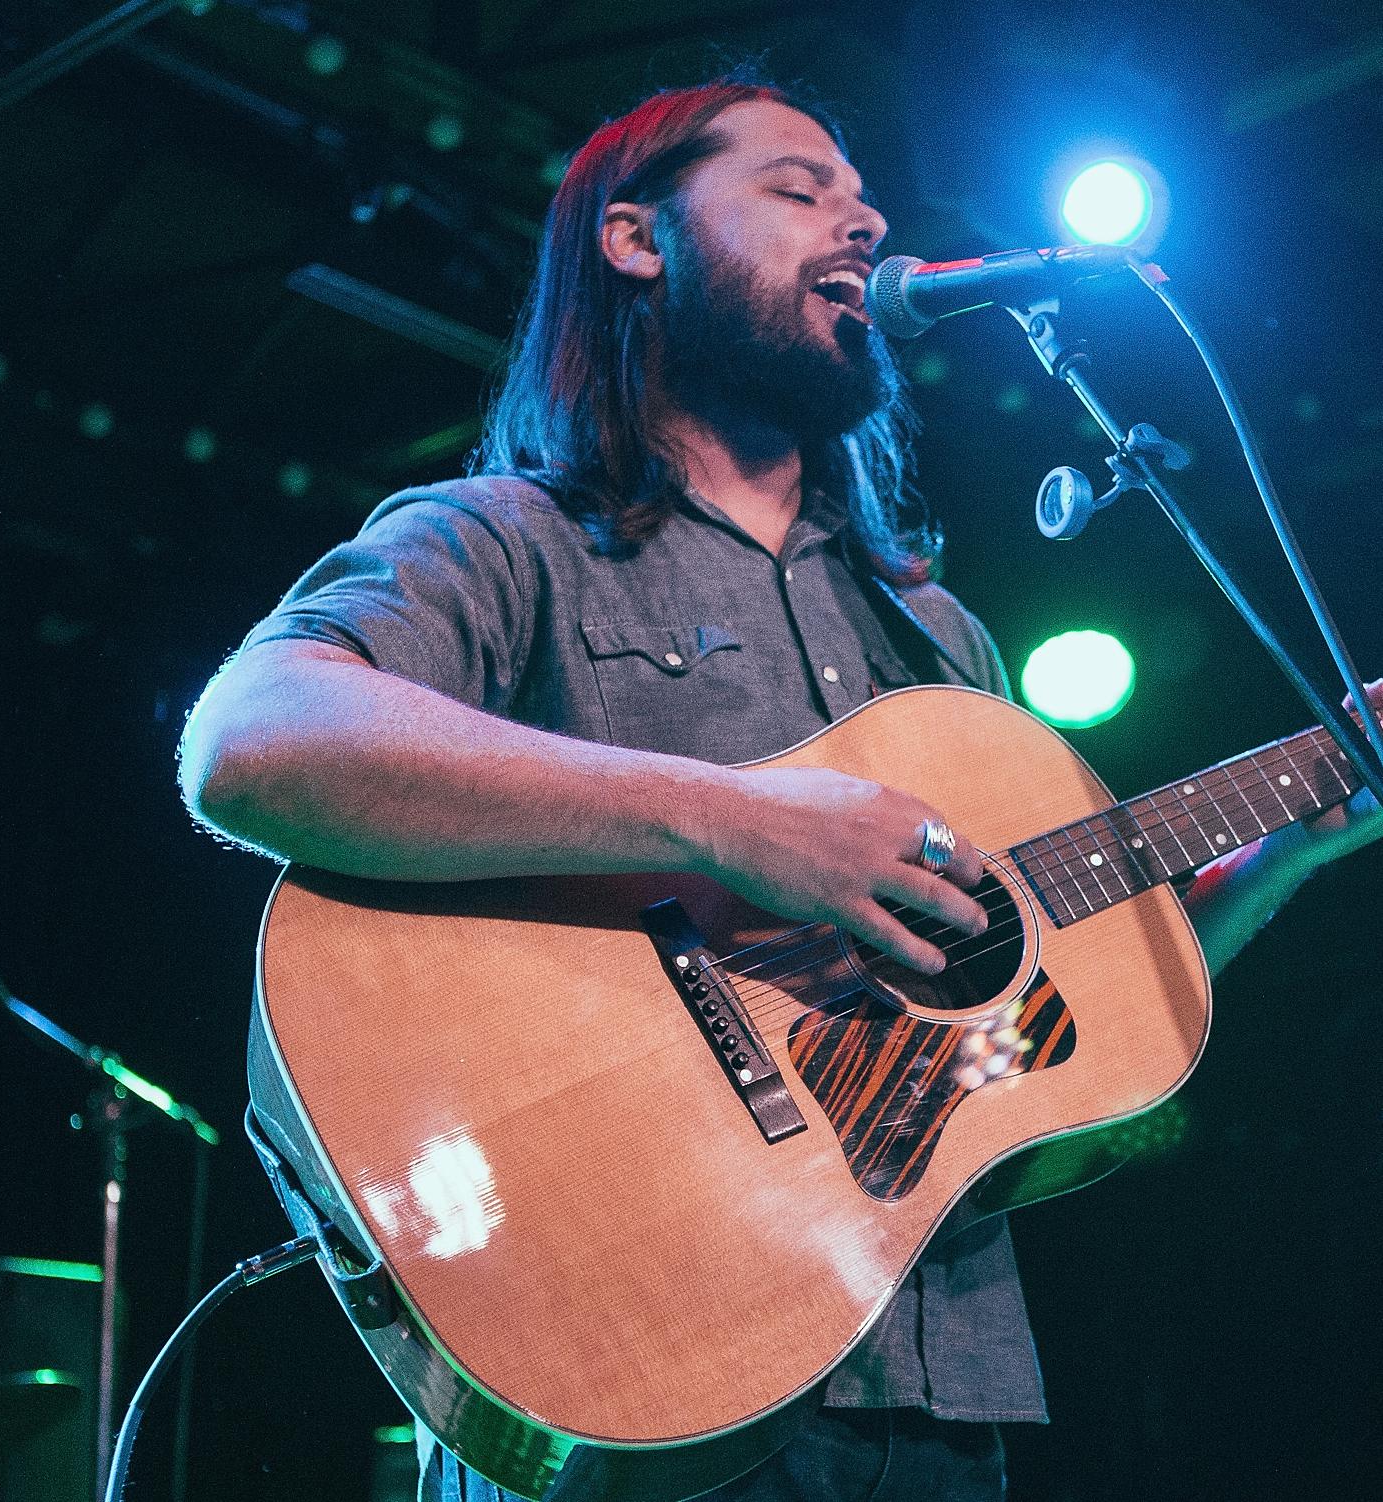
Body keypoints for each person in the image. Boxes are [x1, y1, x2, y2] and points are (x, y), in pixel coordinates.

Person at [179, 77, 1382, 1502]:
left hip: (937, 1389)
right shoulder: (509, 540)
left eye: (859, 192)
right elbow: (248, 743)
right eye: (797, 186)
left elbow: (1023, 1034)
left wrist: (1276, 858)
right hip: (637, 1362)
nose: (862, 215)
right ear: (636, 239)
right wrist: (738, 821)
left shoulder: (940, 641)